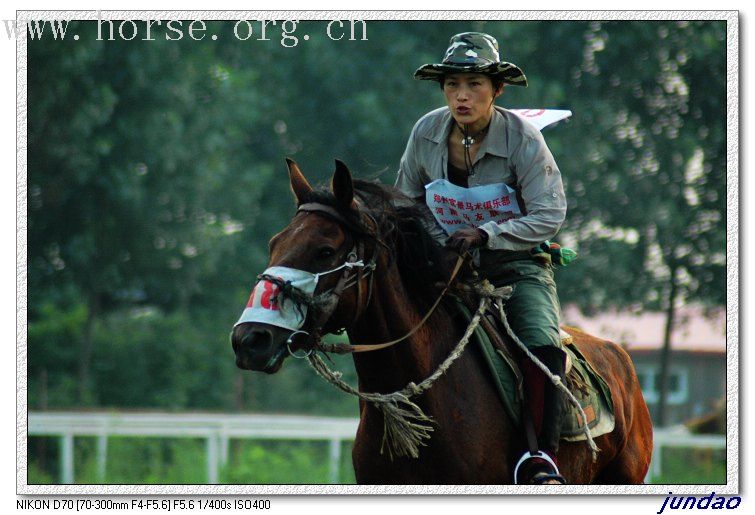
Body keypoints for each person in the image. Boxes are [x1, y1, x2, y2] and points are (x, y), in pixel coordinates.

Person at [395, 32, 569, 485]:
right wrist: (441, 245)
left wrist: (487, 234)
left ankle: (540, 456)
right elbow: (406, 204)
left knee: (541, 344)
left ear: (497, 90)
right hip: (445, 266)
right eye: (453, 85)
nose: (462, 95)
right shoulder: (424, 132)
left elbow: (550, 213)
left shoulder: (523, 138)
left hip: (517, 266)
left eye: (473, 84)